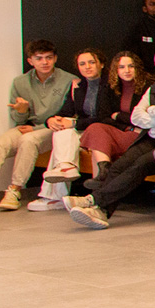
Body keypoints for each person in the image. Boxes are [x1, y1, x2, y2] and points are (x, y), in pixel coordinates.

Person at [64, 44, 155, 228]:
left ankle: (93, 201)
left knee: (139, 165)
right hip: (152, 139)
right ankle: (101, 211)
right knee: (119, 166)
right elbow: (137, 116)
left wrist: (154, 113)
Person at [0, 40, 76, 214]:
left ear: (55, 59)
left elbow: (71, 114)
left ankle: (14, 191)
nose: (44, 62)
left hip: (52, 128)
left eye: (48, 58)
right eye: (39, 58)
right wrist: (22, 111)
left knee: (28, 141)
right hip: (27, 127)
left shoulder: (69, 80)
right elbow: (18, 119)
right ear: (30, 61)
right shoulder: (20, 82)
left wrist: (36, 129)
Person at [32, 48, 108, 210]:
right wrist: (51, 120)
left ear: (101, 64)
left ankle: (54, 194)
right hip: (85, 129)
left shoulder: (110, 85)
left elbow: (105, 117)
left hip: (103, 129)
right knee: (62, 129)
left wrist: (73, 124)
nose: (87, 67)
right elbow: (65, 111)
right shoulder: (78, 86)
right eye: (82, 64)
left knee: (65, 137)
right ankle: (66, 167)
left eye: (91, 62)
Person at [74, 51, 154, 174]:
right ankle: (104, 169)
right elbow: (104, 117)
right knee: (95, 129)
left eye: (131, 66)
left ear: (137, 67)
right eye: (121, 67)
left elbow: (145, 119)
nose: (126, 70)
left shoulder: (149, 87)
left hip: (142, 136)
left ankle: (100, 183)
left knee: (98, 145)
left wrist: (118, 116)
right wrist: (127, 126)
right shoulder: (111, 87)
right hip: (125, 130)